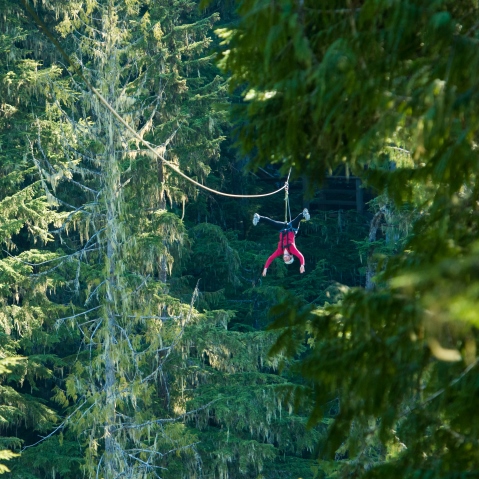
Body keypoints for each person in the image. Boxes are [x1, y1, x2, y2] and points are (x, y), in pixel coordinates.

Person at [253, 208, 310, 276]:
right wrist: (302, 265)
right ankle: (303, 214)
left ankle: (259, 217)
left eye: (285, 260)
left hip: (282, 229)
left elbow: (271, 258)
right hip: (292, 229)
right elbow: (301, 256)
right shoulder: (292, 249)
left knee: (271, 222)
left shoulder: (280, 251)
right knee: (297, 220)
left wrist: (265, 268)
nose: (285, 259)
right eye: (288, 259)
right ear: (290, 256)